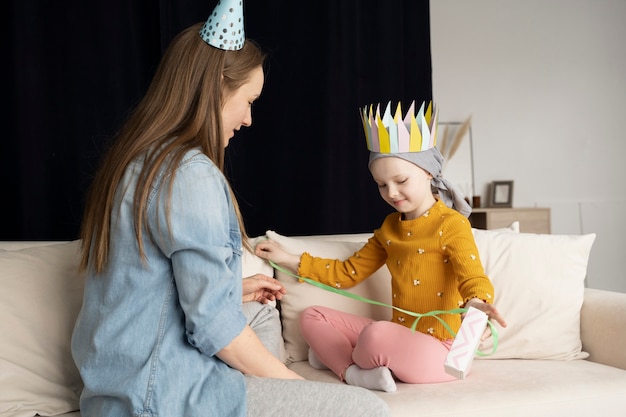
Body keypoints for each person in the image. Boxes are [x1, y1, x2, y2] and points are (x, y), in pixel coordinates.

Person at [70, 2, 391, 416]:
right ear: (219, 86)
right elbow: (211, 328)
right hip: (159, 398)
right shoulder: (189, 174)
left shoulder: (138, 162)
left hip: (116, 388)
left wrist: (228, 293)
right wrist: (297, 386)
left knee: (257, 310)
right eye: (249, 100)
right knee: (368, 410)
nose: (249, 119)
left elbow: (140, 287)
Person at [255, 100, 507, 393]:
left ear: (428, 173)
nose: (392, 192)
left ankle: (337, 356)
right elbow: (346, 272)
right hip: (397, 336)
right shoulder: (389, 228)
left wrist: (477, 302)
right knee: (312, 316)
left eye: (400, 180)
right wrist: (287, 258)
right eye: (381, 184)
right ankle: (351, 371)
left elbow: (473, 277)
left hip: (442, 352)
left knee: (376, 334)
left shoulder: (451, 224)